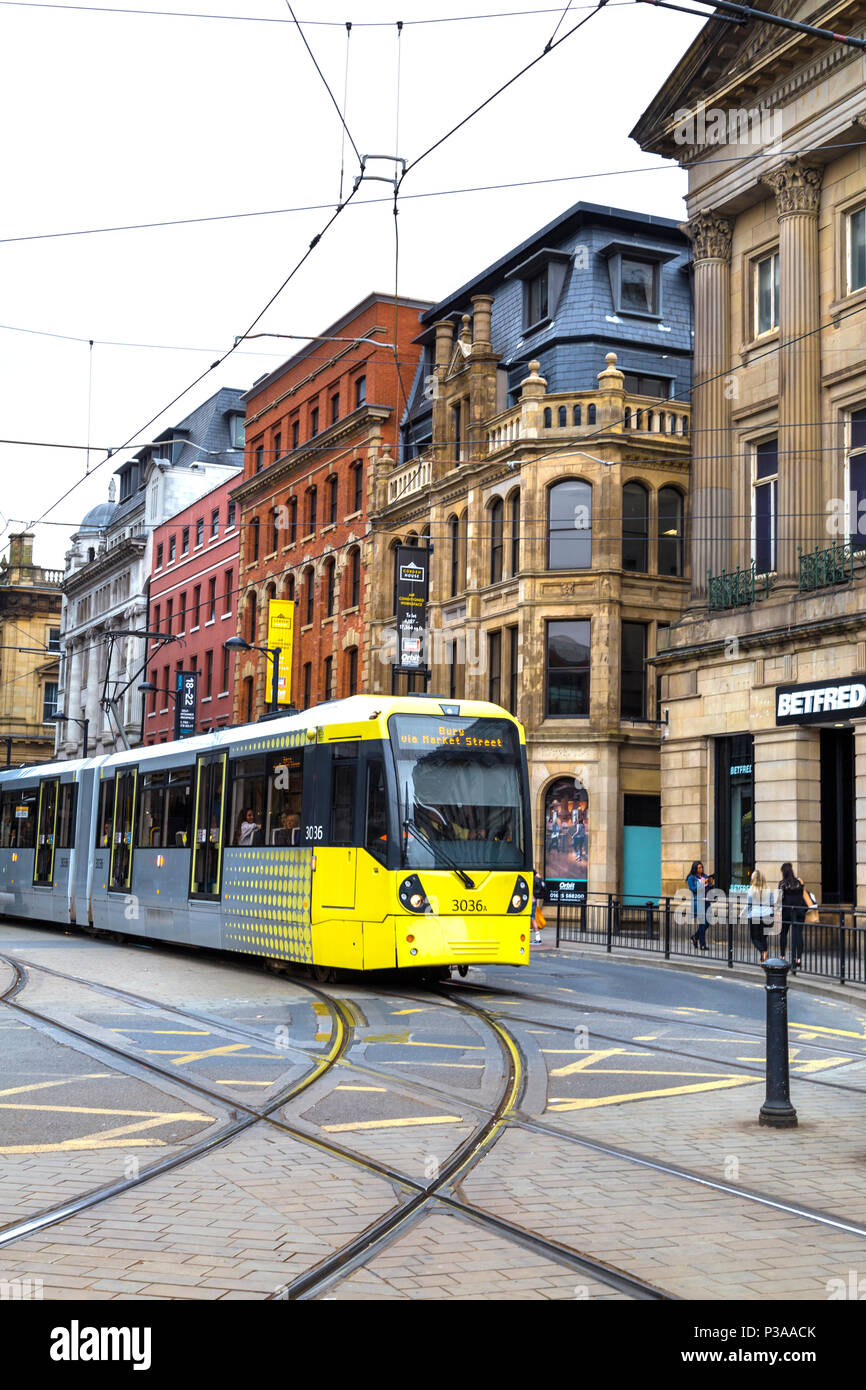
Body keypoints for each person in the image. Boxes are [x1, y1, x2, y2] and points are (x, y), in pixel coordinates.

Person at [778, 861, 810, 973]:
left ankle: (782, 956)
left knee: (783, 934)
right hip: (799, 912)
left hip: (787, 912)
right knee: (798, 935)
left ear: (783, 872)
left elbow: (779, 900)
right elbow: (803, 895)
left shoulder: (782, 884)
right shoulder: (799, 882)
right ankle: (798, 958)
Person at [741, 868, 774, 962]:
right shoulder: (769, 890)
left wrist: (742, 913)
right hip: (768, 916)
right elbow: (772, 905)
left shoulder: (751, 891)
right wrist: (773, 917)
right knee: (763, 937)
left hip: (755, 916)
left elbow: (749, 905)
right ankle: (763, 959)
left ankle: (763, 952)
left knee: (755, 938)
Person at [687, 860, 709, 950]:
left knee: (708, 922)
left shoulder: (705, 876)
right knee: (702, 923)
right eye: (699, 868)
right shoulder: (691, 878)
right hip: (698, 901)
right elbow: (693, 889)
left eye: (702, 867)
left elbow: (711, 887)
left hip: (707, 900)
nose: (701, 869)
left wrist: (711, 883)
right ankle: (703, 945)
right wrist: (702, 883)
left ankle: (695, 937)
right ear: (695, 869)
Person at [532, 870, 545, 945]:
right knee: (531, 919)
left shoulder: (531, 879)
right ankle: (537, 938)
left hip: (530, 901)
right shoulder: (536, 879)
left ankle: (538, 938)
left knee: (532, 919)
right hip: (533, 901)